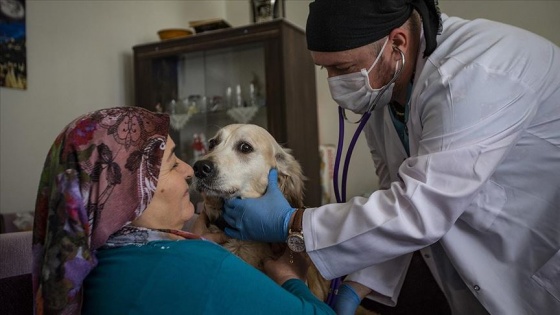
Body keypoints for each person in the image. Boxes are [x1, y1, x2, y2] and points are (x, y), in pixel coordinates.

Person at [222, 0, 560, 314]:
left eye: (343, 68)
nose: (334, 84)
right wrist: (361, 281)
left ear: (397, 43)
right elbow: (395, 200)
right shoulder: (384, 90)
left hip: (537, 255)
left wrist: (292, 223)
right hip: (480, 256)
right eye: (325, 70)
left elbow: (418, 209)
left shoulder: (476, 73)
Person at [31, 106, 335, 315]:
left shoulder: (90, 263)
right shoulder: (201, 264)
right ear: (128, 191)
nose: (193, 167)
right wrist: (290, 277)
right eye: (173, 163)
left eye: (243, 149)